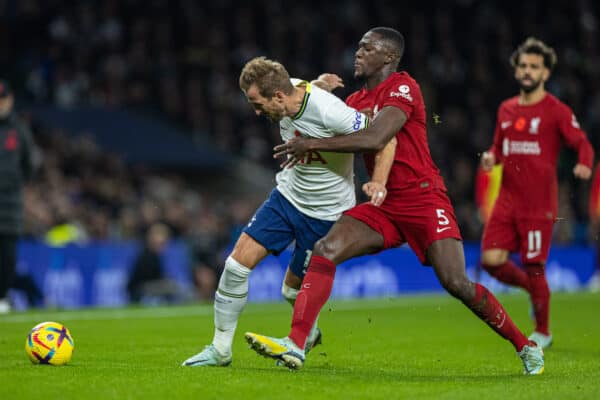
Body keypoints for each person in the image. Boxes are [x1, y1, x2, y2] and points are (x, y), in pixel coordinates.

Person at [244, 27, 545, 375]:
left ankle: (525, 345)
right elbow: (317, 114)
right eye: (357, 46)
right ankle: (296, 344)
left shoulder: (404, 87)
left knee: (457, 284)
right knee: (325, 249)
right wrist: (312, 90)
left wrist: (312, 144)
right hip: (382, 206)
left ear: (387, 56)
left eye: (366, 48)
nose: (357, 53)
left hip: (423, 199)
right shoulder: (354, 103)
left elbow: (376, 138)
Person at [181, 57, 396, 367]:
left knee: (290, 291)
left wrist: (377, 181)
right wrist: (319, 82)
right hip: (286, 198)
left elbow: (381, 136)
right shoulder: (291, 88)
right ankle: (220, 349)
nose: (256, 112)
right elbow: (303, 88)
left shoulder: (329, 111)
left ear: (278, 96)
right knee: (236, 264)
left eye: (258, 103)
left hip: (326, 212)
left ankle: (305, 334)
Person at [478, 38, 593, 348]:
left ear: (545, 74)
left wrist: (584, 163)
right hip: (507, 200)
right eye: (523, 66)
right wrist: (491, 157)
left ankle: (542, 331)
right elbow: (499, 148)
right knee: (490, 260)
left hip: (537, 205)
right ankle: (533, 289)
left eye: (534, 67)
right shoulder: (506, 109)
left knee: (534, 265)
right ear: (517, 71)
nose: (528, 72)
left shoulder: (556, 110)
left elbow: (582, 142)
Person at [0, 80, 35, 313]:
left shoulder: (19, 130)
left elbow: (28, 167)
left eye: (2, 99)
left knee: (6, 256)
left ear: (10, 100)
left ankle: (1, 298)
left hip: (9, 206)